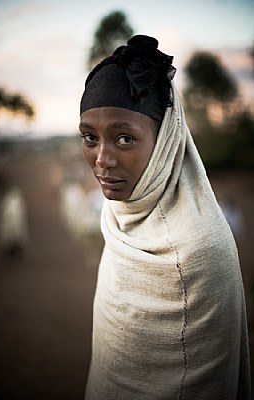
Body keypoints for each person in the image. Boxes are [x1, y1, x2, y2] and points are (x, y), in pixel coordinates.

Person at [79, 35, 252, 399]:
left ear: (166, 140)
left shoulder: (201, 251)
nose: (102, 159)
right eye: (90, 138)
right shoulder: (118, 215)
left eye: (124, 138)